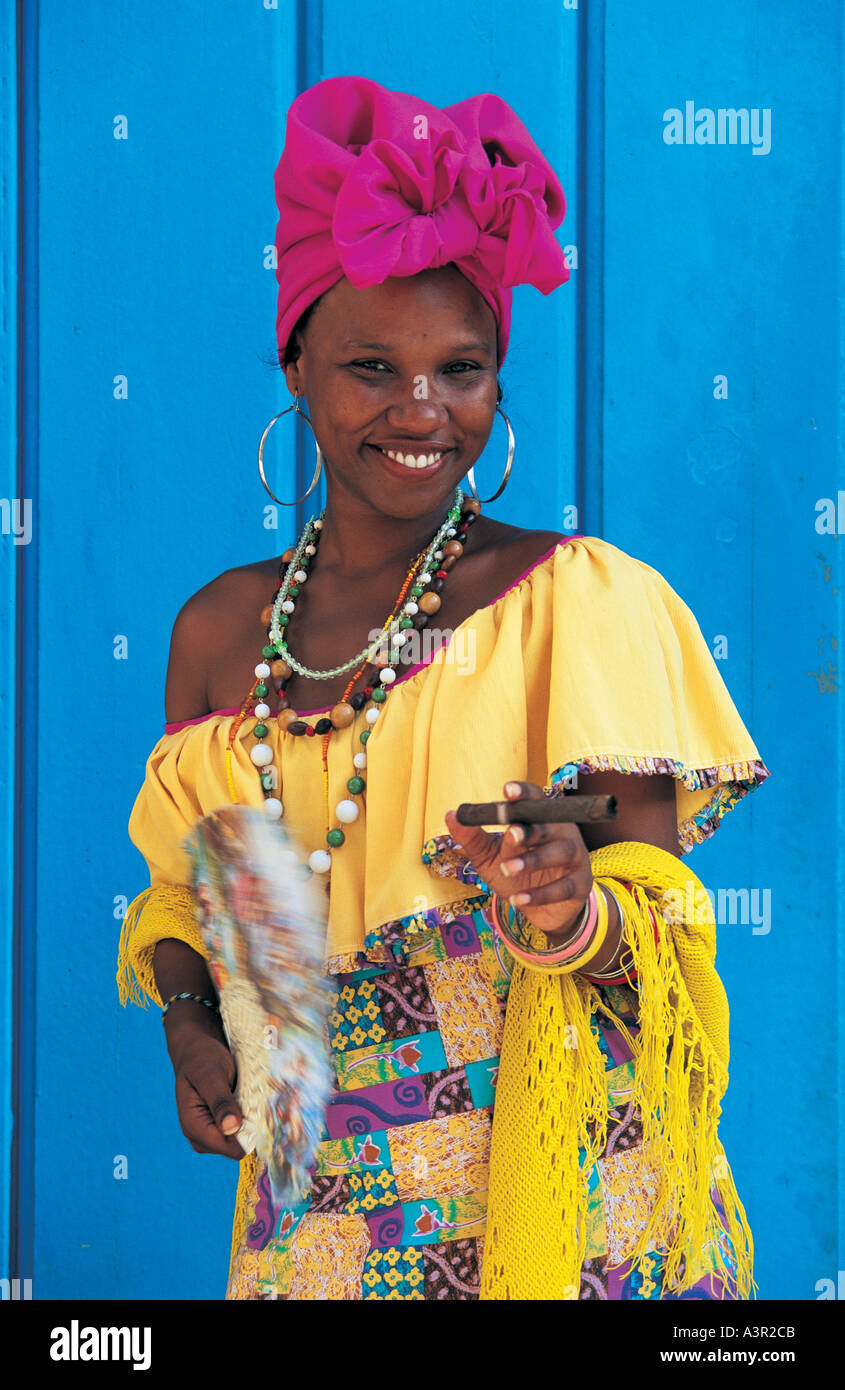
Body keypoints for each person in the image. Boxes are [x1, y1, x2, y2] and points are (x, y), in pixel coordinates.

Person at [117, 75, 770, 1301]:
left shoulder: (573, 601)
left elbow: (664, 922)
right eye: (372, 365)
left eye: (458, 370)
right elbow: (213, 906)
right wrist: (190, 1025)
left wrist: (571, 902)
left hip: (570, 1206)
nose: (422, 410)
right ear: (297, 364)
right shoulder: (218, 632)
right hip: (320, 1217)